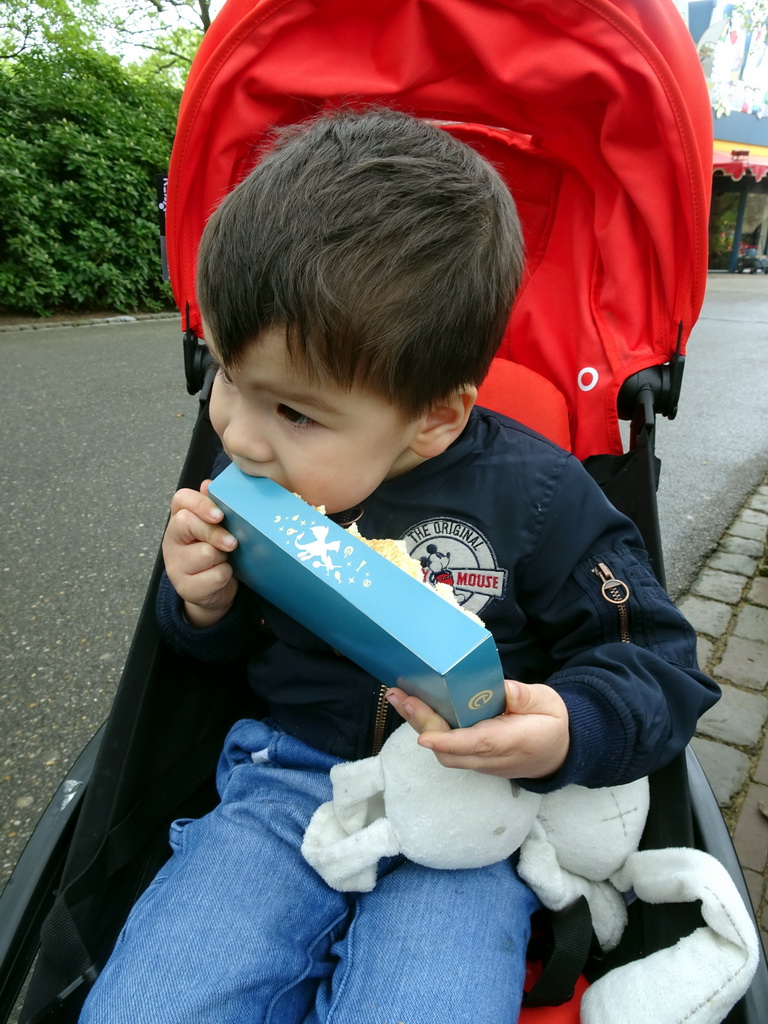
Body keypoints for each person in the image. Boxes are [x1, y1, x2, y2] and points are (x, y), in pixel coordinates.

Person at [79, 106, 719, 1024]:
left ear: (435, 417)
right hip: (284, 776)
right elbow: (214, 656)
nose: (240, 437)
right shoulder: (261, 470)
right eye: (226, 374)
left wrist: (568, 728)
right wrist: (204, 605)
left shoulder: (540, 499)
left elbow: (660, 661)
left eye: (294, 413)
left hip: (468, 811)